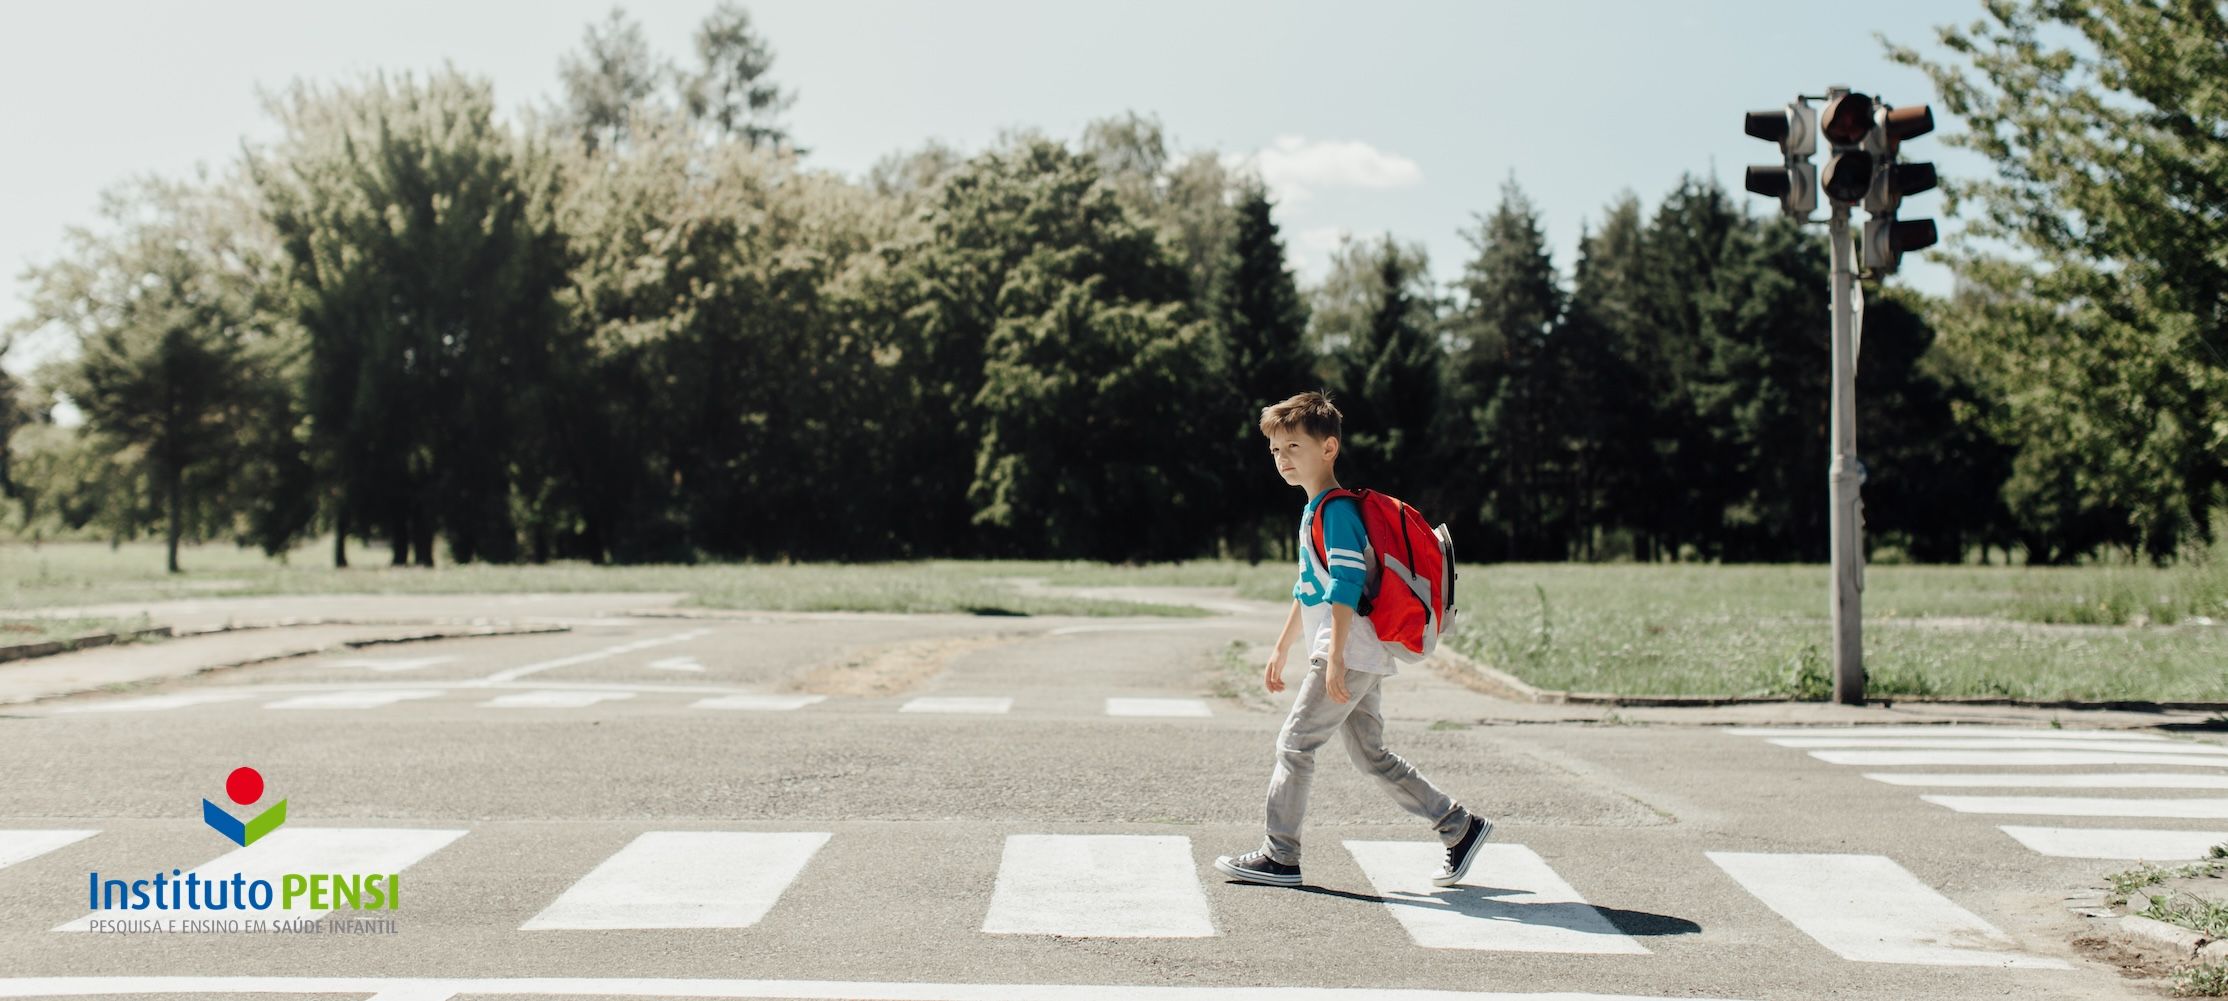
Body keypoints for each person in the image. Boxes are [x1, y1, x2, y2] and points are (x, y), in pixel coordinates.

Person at [1213, 390, 1490, 889]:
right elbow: (1308, 588)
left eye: (1294, 447)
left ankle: (1280, 857)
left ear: (1329, 448)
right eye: (1276, 450)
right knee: (1370, 754)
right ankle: (1460, 828)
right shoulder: (1315, 511)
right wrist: (1280, 647)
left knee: (1295, 745)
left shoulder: (1336, 512)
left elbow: (1343, 585)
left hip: (1349, 651)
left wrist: (1334, 656)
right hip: (1357, 652)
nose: (1283, 460)